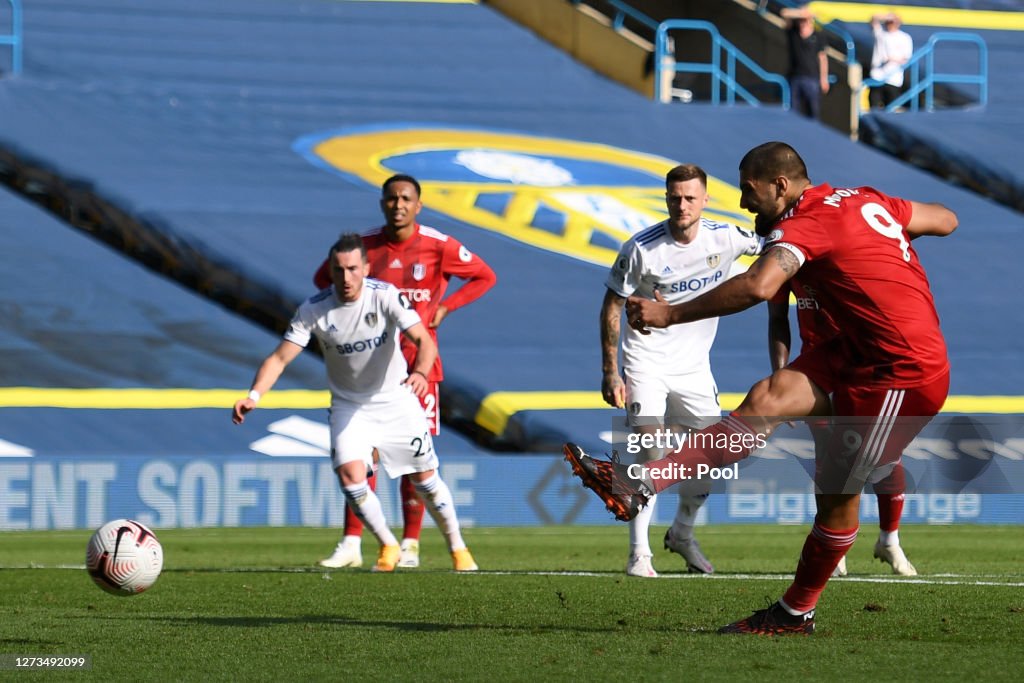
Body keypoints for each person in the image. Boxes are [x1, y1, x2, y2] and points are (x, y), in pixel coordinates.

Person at [564, 141, 956, 635]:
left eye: (750, 192)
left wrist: (668, 314)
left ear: (780, 186)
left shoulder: (806, 225)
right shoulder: (866, 201)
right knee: (765, 398)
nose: (746, 205)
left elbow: (758, 286)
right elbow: (945, 219)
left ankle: (795, 612)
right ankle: (640, 483)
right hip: (853, 349)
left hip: (900, 370)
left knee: (836, 499)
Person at [233, 234, 478, 573]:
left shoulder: (385, 297)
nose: (346, 278)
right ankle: (388, 544)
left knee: (425, 480)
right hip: (350, 407)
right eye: (338, 270)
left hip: (396, 401)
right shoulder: (314, 309)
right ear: (330, 272)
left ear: (365, 268)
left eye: (352, 269)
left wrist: (421, 372)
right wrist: (254, 395)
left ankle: (458, 548)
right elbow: (279, 358)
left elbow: (423, 339)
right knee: (350, 477)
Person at [314, 174, 496, 570]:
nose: (398, 204)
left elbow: (484, 276)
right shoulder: (364, 248)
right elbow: (321, 279)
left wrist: (446, 307)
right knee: (363, 456)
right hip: (366, 370)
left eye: (406, 198)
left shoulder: (437, 245)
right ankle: (352, 542)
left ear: (418, 205)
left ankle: (411, 543)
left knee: (416, 459)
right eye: (391, 198)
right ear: (382, 203)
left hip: (417, 366)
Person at [601, 164, 761, 577]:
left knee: (710, 458)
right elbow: (612, 304)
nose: (682, 205)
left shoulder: (728, 238)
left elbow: (778, 248)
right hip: (645, 362)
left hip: (694, 370)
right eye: (675, 197)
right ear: (666, 198)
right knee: (651, 454)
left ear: (705, 199)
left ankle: (682, 534)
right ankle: (639, 554)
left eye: (690, 197)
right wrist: (610, 370)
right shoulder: (641, 248)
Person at [768, 281, 916, 577]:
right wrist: (780, 377)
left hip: (865, 367)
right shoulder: (787, 258)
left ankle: (889, 540)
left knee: (884, 457)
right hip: (817, 370)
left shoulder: (847, 250)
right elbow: (777, 318)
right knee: (828, 458)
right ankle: (833, 547)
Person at [781, 5, 829, 120]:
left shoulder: (818, 36)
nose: (802, 23)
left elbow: (823, 58)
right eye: (800, 20)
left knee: (813, 112)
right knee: (793, 112)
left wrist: (824, 78)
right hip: (795, 77)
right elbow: (784, 13)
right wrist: (800, 13)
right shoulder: (793, 33)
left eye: (805, 20)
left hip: (812, 78)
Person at [869, 12, 913, 110]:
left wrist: (891, 58)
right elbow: (873, 20)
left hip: (893, 78)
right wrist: (885, 16)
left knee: (892, 108)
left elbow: (906, 58)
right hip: (877, 76)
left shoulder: (904, 38)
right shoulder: (881, 35)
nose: (890, 24)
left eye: (893, 21)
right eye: (888, 22)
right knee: (874, 106)